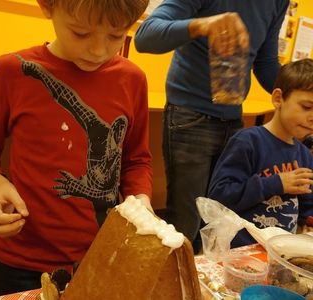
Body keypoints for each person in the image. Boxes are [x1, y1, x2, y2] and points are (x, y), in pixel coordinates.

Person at [0, 0, 152, 296]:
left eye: (116, 36)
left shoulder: (133, 79)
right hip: (22, 262)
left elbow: (137, 160)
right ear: (47, 6)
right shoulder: (12, 71)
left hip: (101, 257)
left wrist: (141, 199)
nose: (99, 50)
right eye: (80, 33)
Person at [134, 0, 289, 253]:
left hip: (233, 122)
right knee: (185, 226)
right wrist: (202, 25)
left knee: (218, 224)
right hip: (189, 117)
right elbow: (146, 36)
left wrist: (298, 94)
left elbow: (266, 63)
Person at [208, 58, 313, 247]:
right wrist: (277, 183)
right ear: (278, 99)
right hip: (241, 251)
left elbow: (308, 206)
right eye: (307, 107)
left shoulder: (305, 155)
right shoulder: (248, 142)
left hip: (280, 254)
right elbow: (219, 197)